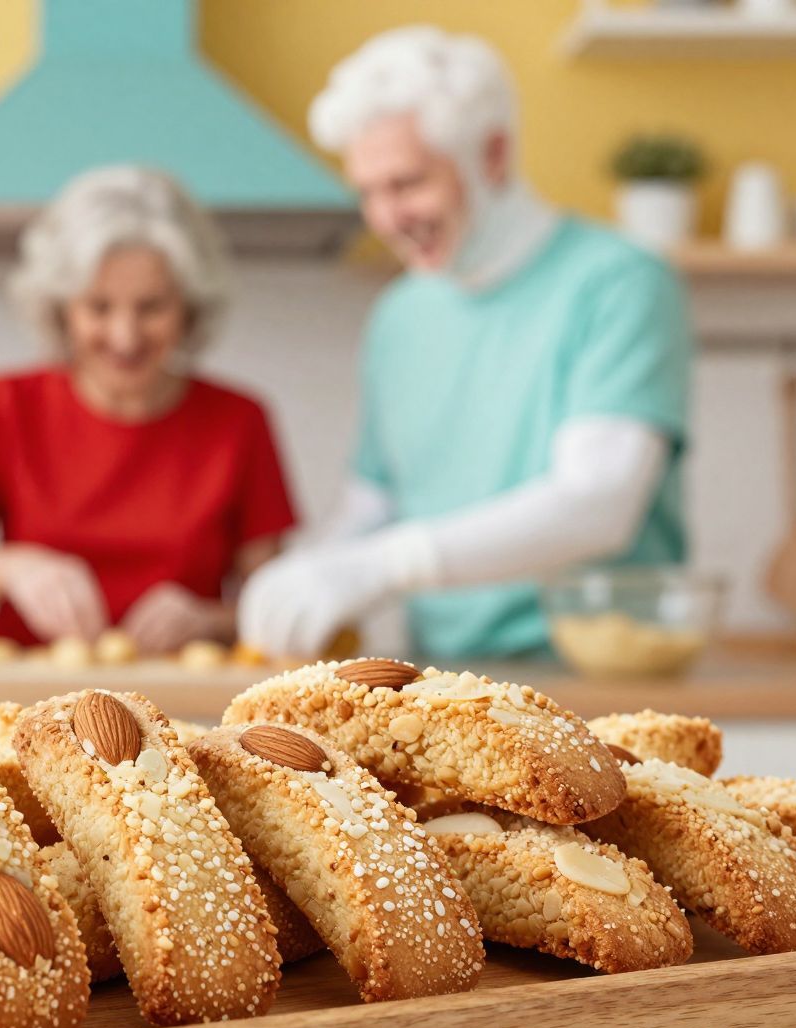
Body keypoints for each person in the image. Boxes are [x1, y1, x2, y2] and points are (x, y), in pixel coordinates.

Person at [238, 27, 691, 662]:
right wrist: (311, 571)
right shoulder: (400, 315)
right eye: (368, 192)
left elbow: (599, 503)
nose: (386, 218)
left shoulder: (618, 282)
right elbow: (375, 503)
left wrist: (385, 565)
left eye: (407, 184)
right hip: (445, 677)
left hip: (595, 674)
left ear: (493, 155)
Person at [0, 166, 296, 655]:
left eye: (151, 307)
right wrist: (15, 568)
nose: (125, 336)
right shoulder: (9, 403)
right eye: (98, 307)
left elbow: (277, 602)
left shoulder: (239, 421)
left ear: (189, 307)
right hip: (25, 689)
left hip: (177, 694)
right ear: (61, 309)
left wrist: (211, 620)